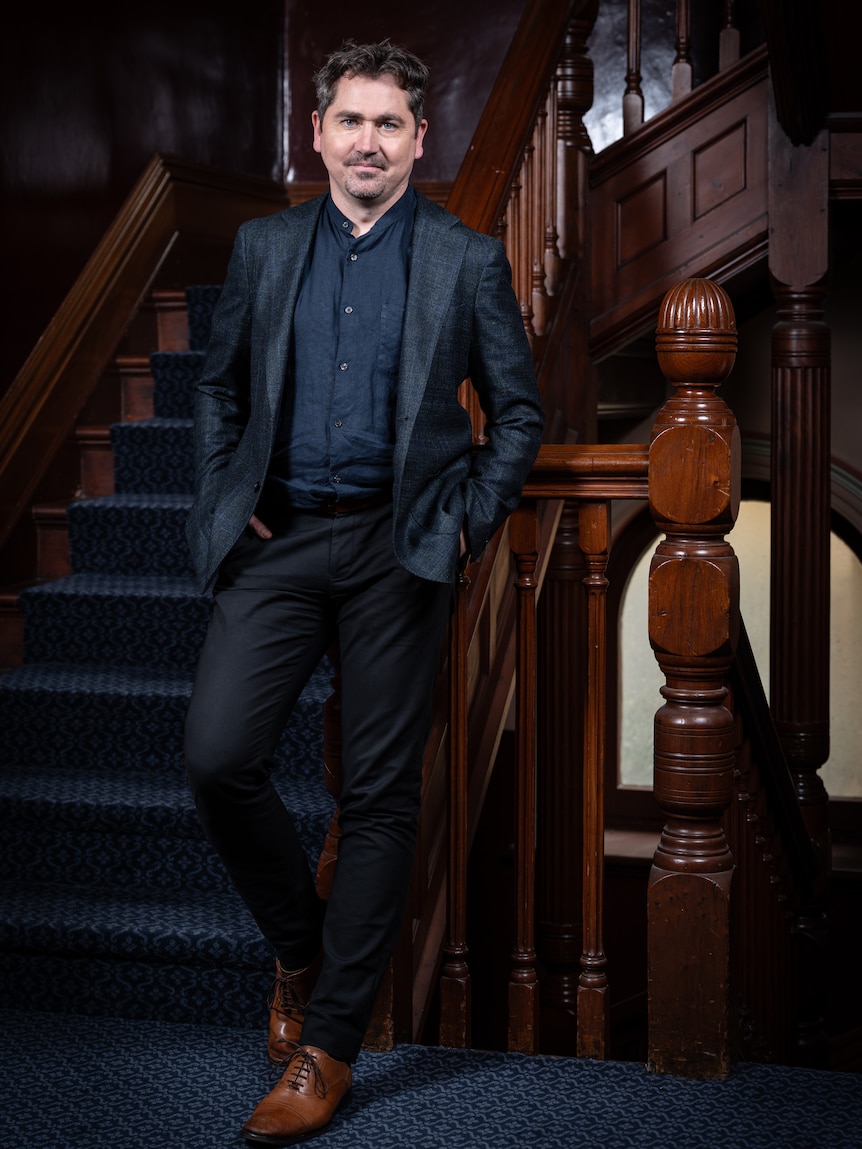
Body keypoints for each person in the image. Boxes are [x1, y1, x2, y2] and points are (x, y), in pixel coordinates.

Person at [183, 38, 544, 1146]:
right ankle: (301, 947)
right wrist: (225, 492)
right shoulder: (263, 246)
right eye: (351, 120)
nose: (369, 142)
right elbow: (220, 387)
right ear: (319, 131)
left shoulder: (466, 259)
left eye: (391, 124)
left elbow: (518, 414)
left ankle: (327, 1043)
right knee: (219, 757)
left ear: (419, 140)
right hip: (281, 543)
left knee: (383, 797)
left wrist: (462, 519)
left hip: (400, 552)